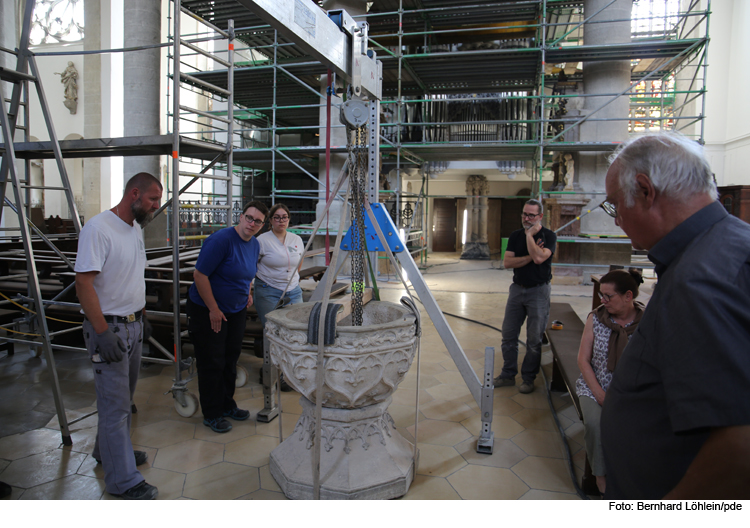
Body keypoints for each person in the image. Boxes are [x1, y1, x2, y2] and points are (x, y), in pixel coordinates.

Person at [600, 132, 750, 499]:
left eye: (615, 204)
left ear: (645, 190)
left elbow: (739, 445)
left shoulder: (700, 280)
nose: (617, 220)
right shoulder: (729, 242)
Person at [75, 172, 162, 500]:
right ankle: (123, 481)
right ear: (134, 194)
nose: (155, 206)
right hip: (108, 328)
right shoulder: (99, 228)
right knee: (115, 407)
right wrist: (101, 332)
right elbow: (84, 284)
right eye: (153, 199)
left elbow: (130, 277)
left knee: (122, 400)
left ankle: (109, 451)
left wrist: (143, 315)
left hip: (133, 325)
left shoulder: (135, 228)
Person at [187, 201, 269, 433]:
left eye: (258, 221)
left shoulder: (253, 245)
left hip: (235, 309)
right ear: (241, 217)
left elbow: (247, 272)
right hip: (208, 309)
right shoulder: (221, 240)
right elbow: (200, 275)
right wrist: (213, 309)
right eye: (249, 218)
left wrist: (248, 292)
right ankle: (212, 413)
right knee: (212, 360)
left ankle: (227, 404)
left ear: (262, 225)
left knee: (231, 357)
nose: (252, 223)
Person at [576, 269, 645, 495]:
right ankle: (601, 479)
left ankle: (632, 475)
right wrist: (599, 393)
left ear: (628, 296)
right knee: (596, 424)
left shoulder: (647, 322)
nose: (602, 301)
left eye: (608, 296)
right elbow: (583, 360)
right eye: (601, 296)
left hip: (632, 392)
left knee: (640, 425)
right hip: (595, 387)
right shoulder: (596, 318)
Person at [494, 198, 556, 394]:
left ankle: (528, 378)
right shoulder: (514, 235)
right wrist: (531, 256)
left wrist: (530, 236)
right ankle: (507, 374)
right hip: (517, 289)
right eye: (524, 214)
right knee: (508, 335)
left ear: (540, 216)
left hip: (538, 291)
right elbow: (507, 263)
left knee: (534, 339)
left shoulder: (549, 236)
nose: (526, 218)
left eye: (531, 215)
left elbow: (539, 258)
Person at [253, 203, 304, 391]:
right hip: (268, 289)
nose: (281, 220)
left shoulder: (296, 238)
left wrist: (292, 280)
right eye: (277, 217)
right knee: (273, 332)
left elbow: (299, 261)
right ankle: (270, 370)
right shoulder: (262, 240)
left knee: (295, 330)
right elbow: (253, 265)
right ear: (270, 221)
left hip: (293, 290)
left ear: (289, 219)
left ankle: (288, 372)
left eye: (284, 217)